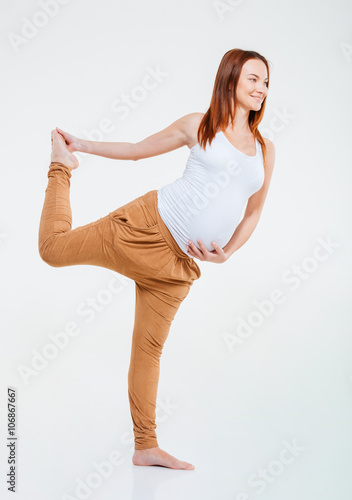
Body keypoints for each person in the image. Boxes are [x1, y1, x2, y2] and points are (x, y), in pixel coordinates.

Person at [38, 48, 275, 470]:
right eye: (254, 79)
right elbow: (135, 150)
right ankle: (61, 168)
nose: (261, 88)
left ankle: (145, 446)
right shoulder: (199, 126)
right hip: (143, 230)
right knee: (52, 250)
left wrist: (228, 253)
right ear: (231, 80)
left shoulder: (264, 149)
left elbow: (254, 210)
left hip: (178, 270)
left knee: (148, 350)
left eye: (266, 82)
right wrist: (82, 145)